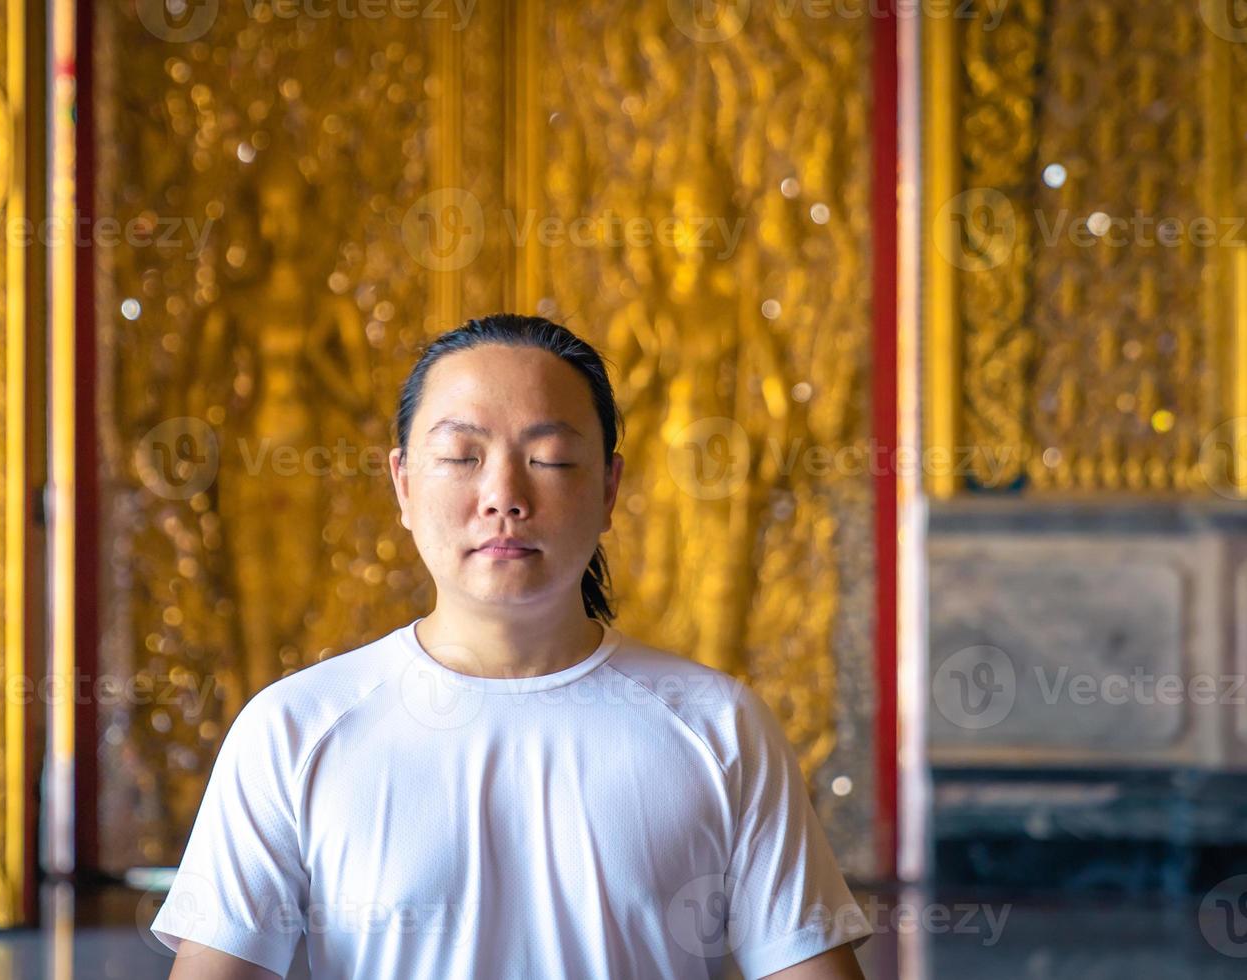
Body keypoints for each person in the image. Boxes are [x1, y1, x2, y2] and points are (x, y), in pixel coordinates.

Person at [151, 314, 872, 978]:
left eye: (551, 459)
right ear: (402, 484)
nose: (504, 495)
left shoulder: (717, 726)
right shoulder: (294, 730)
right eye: (462, 457)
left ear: (610, 488)